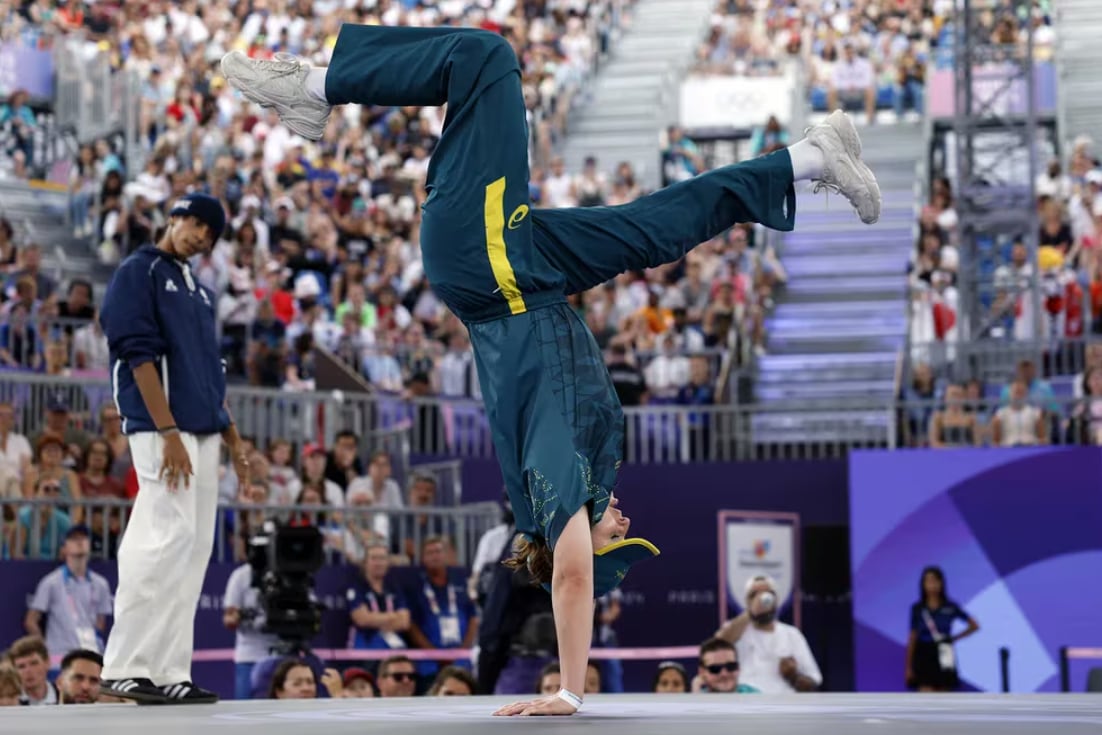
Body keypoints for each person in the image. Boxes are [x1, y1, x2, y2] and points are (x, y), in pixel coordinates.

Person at [222, 25, 878, 717]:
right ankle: (811, 156)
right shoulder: (577, 471)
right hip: (529, 276)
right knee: (657, 228)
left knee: (487, 56)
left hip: (489, 266)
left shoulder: (558, 486)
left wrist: (568, 688)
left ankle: (313, 87)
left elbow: (570, 577)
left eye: (617, 536)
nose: (625, 520)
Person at [96, 192, 250, 705]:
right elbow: (135, 354)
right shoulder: (137, 271)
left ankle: (168, 670)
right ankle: (125, 665)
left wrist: (233, 439)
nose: (201, 236)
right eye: (196, 223)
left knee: (193, 548)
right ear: (175, 217)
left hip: (203, 430)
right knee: (163, 536)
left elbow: (210, 372)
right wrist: (167, 434)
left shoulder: (199, 291)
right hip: (162, 428)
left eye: (211, 233)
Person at [905, 566, 980, 692]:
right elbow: (913, 637)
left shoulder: (950, 606)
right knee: (925, 694)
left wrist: (955, 638)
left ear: (941, 583)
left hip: (945, 650)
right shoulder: (917, 608)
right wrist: (908, 667)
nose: (932, 584)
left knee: (944, 694)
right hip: (924, 652)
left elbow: (974, 625)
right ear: (923, 584)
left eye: (935, 580)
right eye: (928, 581)